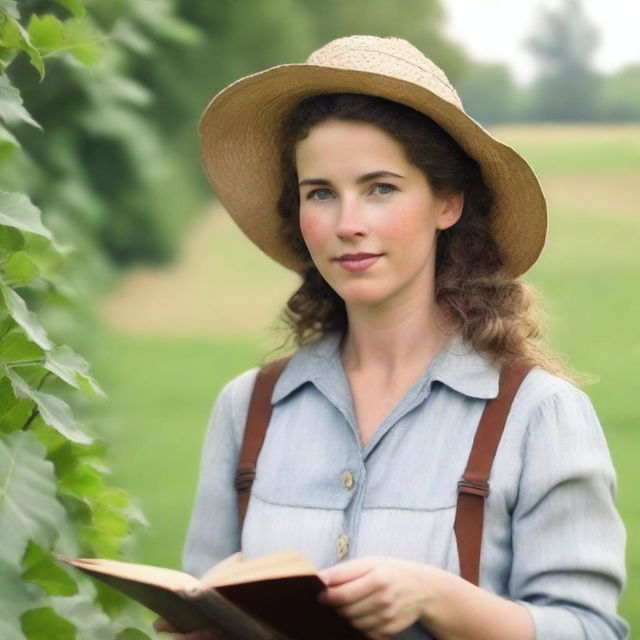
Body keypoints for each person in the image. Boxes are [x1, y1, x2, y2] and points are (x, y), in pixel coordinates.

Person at [156, 36, 628, 639]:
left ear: (447, 203)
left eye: (381, 188)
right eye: (320, 192)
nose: (347, 224)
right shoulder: (248, 409)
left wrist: (437, 598)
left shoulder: (540, 416)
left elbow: (593, 630)